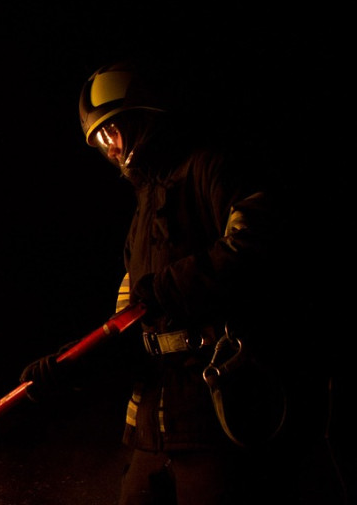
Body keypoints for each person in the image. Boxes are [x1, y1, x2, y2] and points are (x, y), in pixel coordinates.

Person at [18, 61, 344, 504]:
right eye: (99, 141)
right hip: (154, 428)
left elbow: (260, 241)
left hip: (218, 420)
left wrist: (171, 286)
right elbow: (129, 320)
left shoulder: (212, 167)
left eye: (114, 130)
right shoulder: (142, 212)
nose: (110, 148)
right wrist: (71, 367)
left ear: (144, 117)